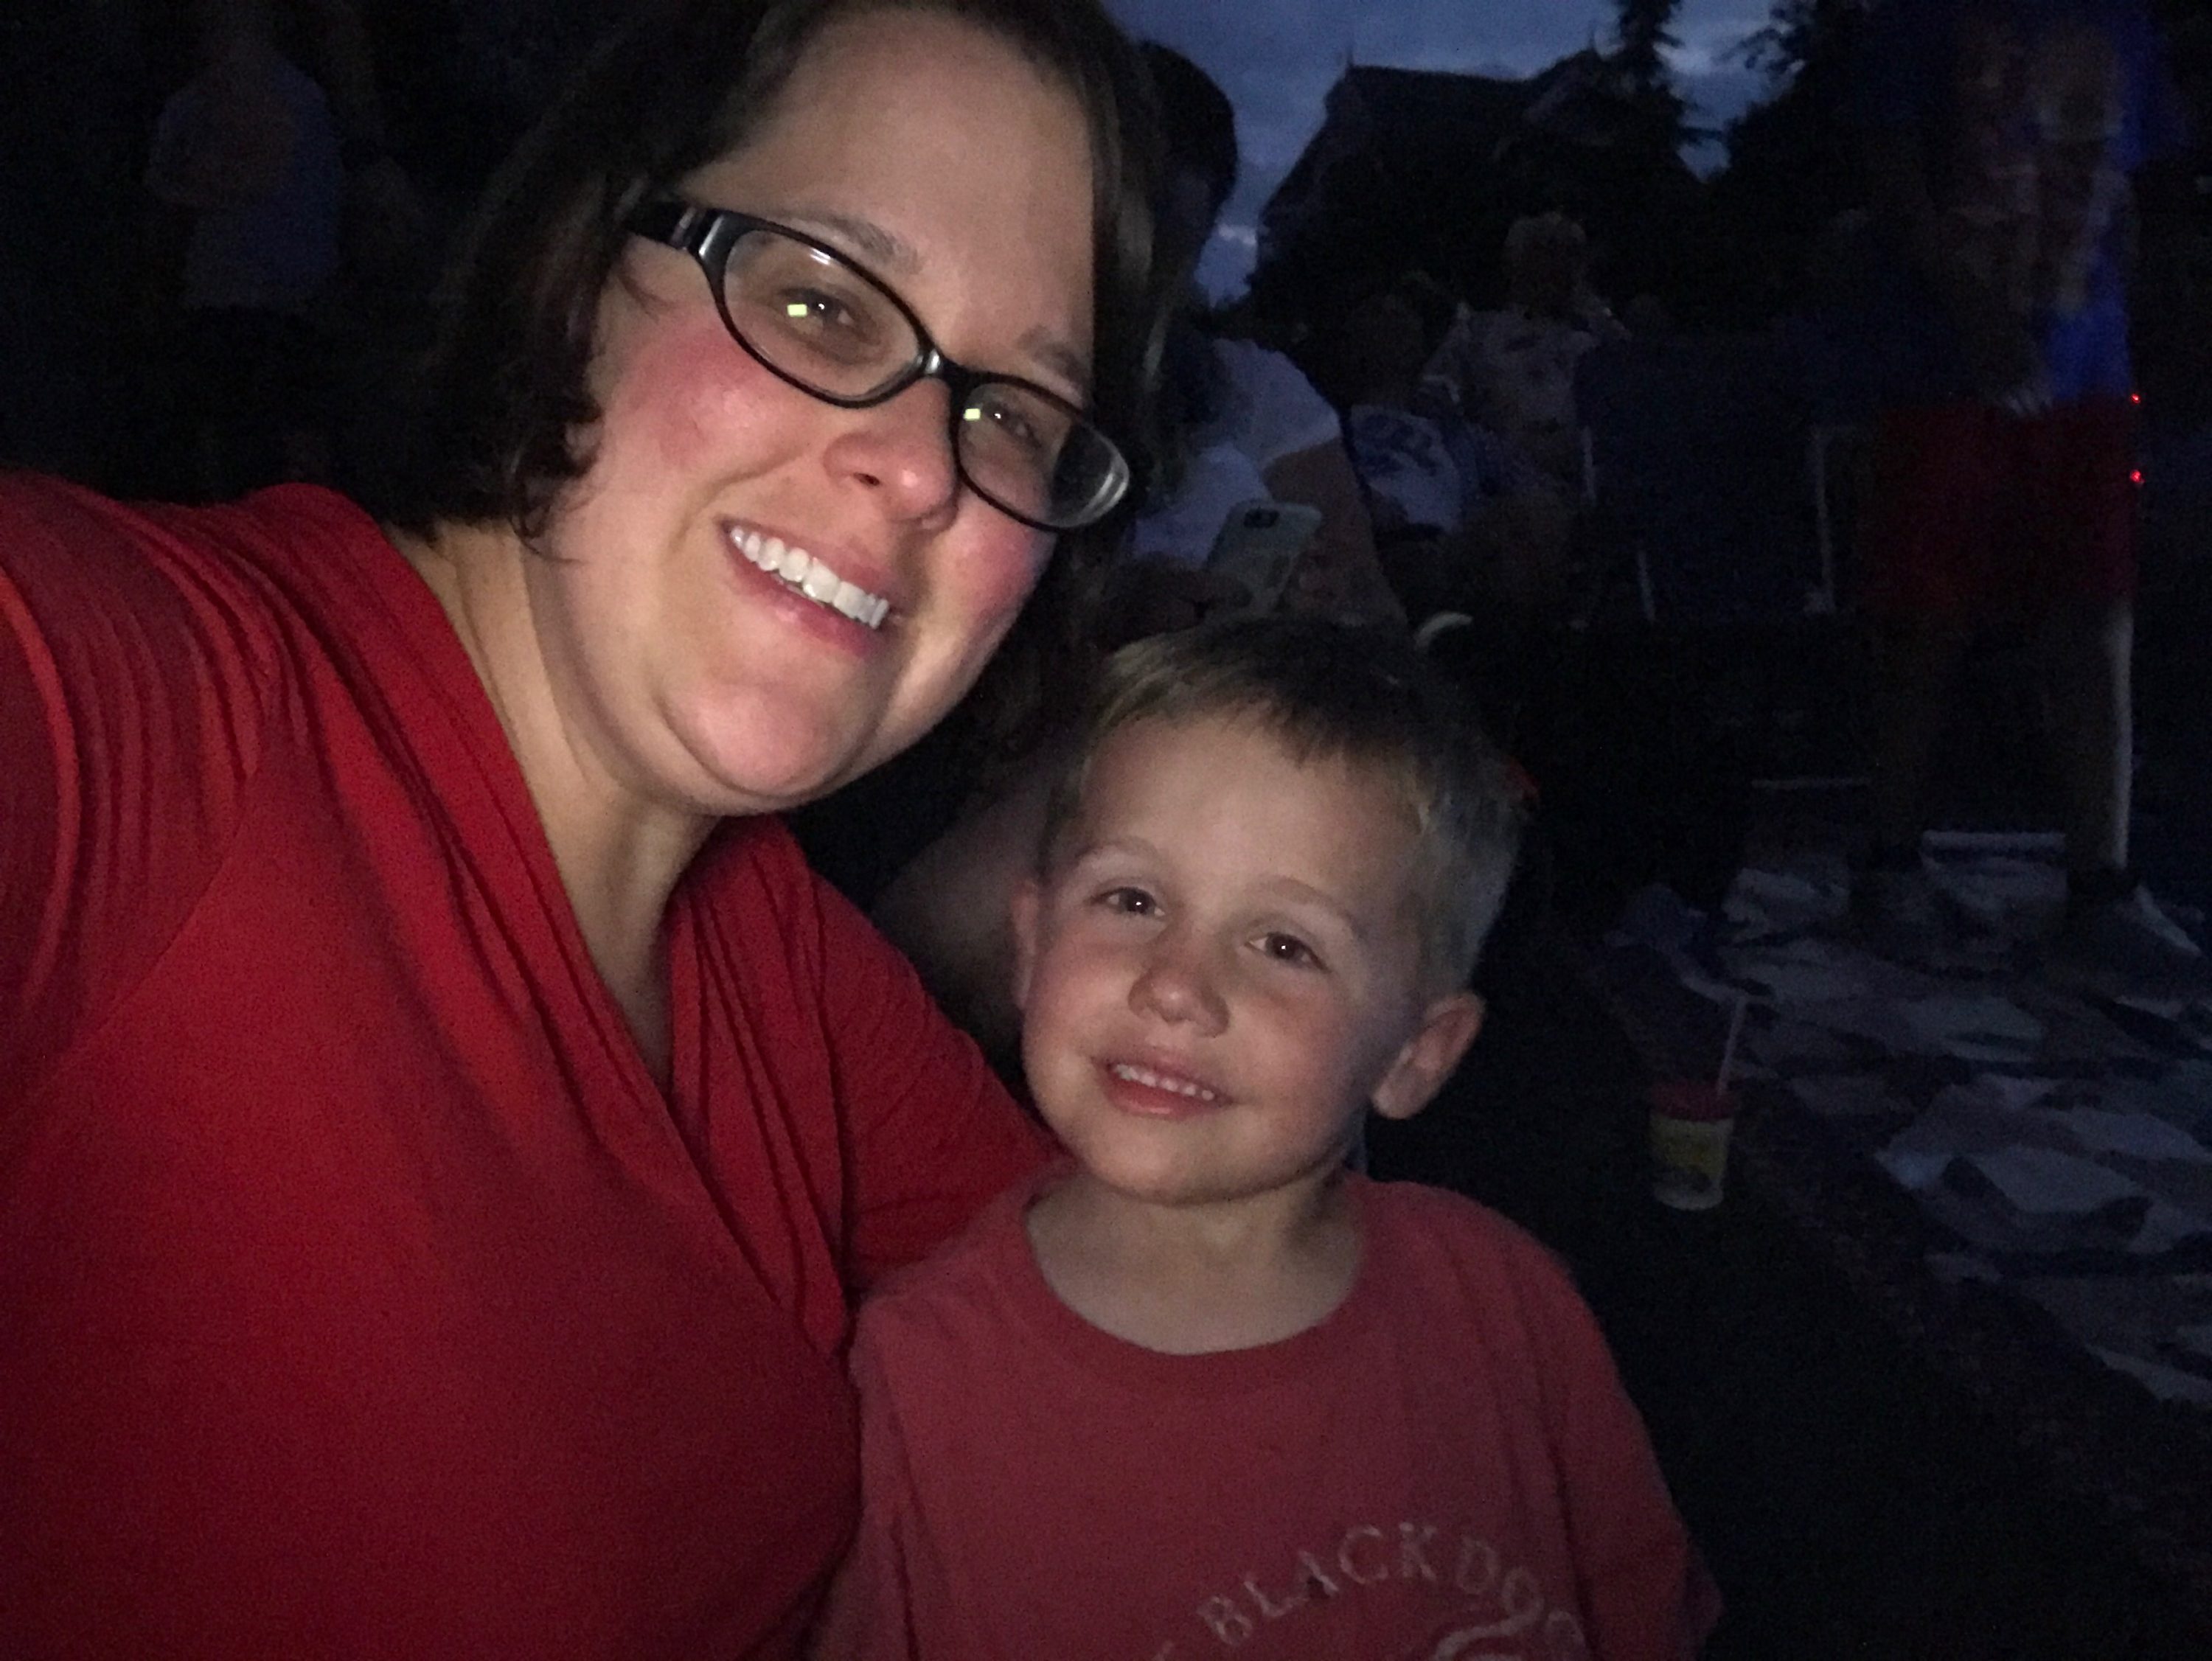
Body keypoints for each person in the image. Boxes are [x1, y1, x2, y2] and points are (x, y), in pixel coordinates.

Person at [0, 1, 1162, 1654]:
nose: (923, 470)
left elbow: (1152, 1323)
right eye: (822, 301)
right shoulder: (156, 725)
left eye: (1014, 419)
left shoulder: (767, 939)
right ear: (574, 264)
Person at [813, 619, 1719, 1660]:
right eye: (1132, 899)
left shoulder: (1513, 1307)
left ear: (1416, 1053)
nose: (1177, 986)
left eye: (1285, 945)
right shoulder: (917, 1379)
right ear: (1030, 945)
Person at [1850, 0, 2203, 987]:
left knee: (2098, 610)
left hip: (2088, 366)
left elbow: (2140, 190)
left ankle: (2101, 879)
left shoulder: (2124, 22)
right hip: (1941, 366)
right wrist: (1970, 307)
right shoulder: (1920, 19)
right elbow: (1893, 173)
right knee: (1927, 613)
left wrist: (2147, 331)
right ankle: (1890, 858)